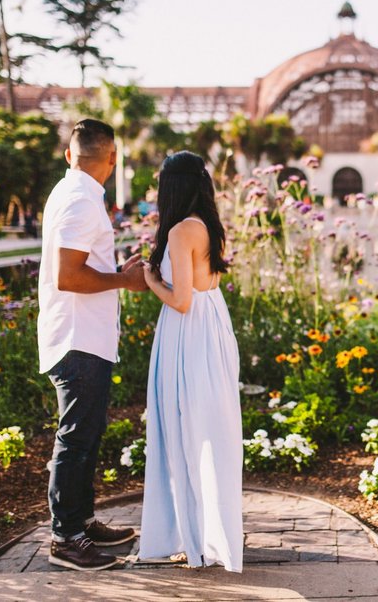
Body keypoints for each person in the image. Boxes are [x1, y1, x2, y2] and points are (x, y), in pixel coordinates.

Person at [38, 118, 148, 571]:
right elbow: (69, 276)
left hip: (84, 336)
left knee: (86, 435)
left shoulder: (75, 194)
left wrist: (116, 268)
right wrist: (124, 279)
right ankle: (67, 538)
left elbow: (81, 264)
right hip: (78, 338)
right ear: (113, 158)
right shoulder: (82, 201)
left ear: (70, 155)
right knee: (76, 439)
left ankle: (81, 522)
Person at [137, 151, 243, 572]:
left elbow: (181, 301)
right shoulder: (210, 227)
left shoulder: (182, 231)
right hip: (213, 327)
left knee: (184, 432)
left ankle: (195, 541)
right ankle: (208, 536)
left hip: (188, 336)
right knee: (210, 432)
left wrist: (149, 281)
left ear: (171, 187)